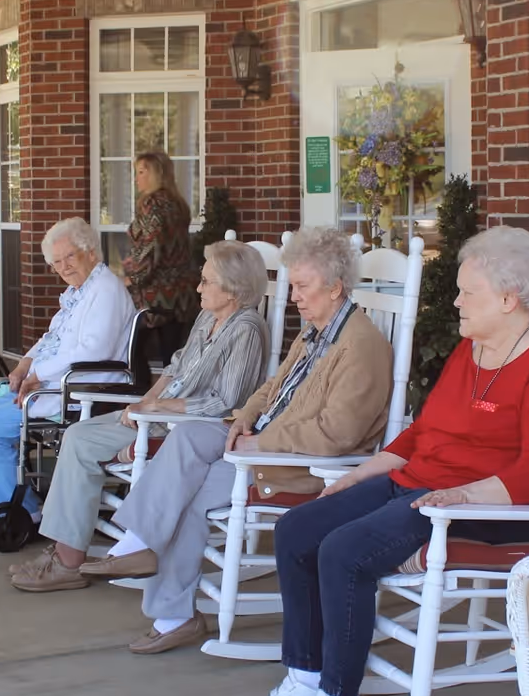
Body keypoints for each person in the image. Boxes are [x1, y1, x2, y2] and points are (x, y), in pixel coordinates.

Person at [237, 226, 529, 696]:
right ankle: (306, 675)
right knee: (297, 530)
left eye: (469, 292)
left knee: (344, 552)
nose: (456, 301)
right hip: (417, 485)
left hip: (488, 508)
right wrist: (362, 475)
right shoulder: (469, 353)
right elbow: (422, 433)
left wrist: (465, 496)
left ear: (510, 299)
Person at [56, 226, 393, 652]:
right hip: (260, 442)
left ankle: (172, 611)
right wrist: (244, 420)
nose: (294, 298)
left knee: (191, 498)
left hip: (300, 466)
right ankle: (138, 543)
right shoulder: (315, 333)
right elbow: (271, 390)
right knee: (191, 439)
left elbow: (337, 435)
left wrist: (262, 442)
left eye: (303, 287)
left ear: (335, 287)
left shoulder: (362, 347)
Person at [9, 241, 272, 626]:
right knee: (78, 436)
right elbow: (175, 367)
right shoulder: (207, 319)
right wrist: (141, 405)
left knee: (81, 442)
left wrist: (156, 409)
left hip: (192, 427)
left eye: (205, 281)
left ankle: (69, 561)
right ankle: (69, 552)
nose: (197, 289)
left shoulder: (246, 329)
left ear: (232, 288)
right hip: (160, 415)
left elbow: (224, 402)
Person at [0, 218, 136, 507]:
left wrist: (38, 373)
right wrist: (25, 363)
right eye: (57, 262)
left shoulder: (105, 290)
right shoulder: (79, 292)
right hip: (54, 386)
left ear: (91, 252)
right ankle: (7, 496)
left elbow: (94, 351)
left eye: (70, 256)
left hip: (79, 392)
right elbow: (51, 336)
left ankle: (20, 511)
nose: (64, 266)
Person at [121, 150, 196, 360]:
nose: (136, 178)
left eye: (142, 172)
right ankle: (167, 392)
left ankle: (135, 390)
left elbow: (151, 246)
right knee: (171, 358)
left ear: (157, 173)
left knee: (131, 350)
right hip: (182, 293)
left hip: (156, 294)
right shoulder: (178, 203)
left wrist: (132, 278)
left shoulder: (152, 203)